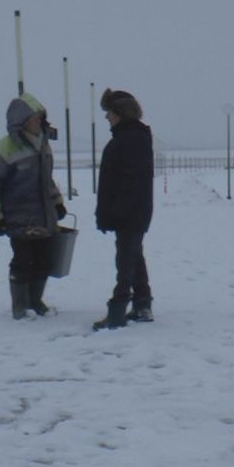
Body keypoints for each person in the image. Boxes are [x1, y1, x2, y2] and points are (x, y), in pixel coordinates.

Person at [0, 92, 67, 319]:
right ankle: (20, 306)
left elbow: (46, 180)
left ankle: (36, 301)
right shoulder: (5, 149)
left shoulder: (44, 145)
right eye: (35, 117)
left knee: (44, 260)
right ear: (22, 120)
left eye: (40, 117)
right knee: (23, 260)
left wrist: (57, 203)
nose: (39, 121)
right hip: (18, 218)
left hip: (44, 217)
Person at [93, 88, 154, 331]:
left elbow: (126, 181)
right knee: (134, 256)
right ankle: (142, 305)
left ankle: (117, 310)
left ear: (119, 113)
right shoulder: (132, 137)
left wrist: (114, 211)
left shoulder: (129, 139)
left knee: (125, 261)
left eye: (109, 112)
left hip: (129, 212)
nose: (107, 117)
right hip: (131, 211)